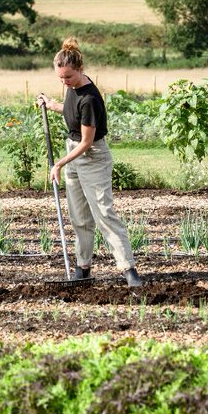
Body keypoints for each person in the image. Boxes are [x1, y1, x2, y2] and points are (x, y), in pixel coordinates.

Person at [38, 38, 143, 287]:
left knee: (104, 213)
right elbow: (71, 110)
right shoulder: (72, 89)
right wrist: (52, 104)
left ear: (80, 70)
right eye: (60, 78)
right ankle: (82, 268)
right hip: (72, 153)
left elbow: (87, 141)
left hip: (92, 156)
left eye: (68, 77)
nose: (64, 82)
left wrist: (59, 164)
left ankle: (129, 269)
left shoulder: (90, 98)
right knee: (79, 217)